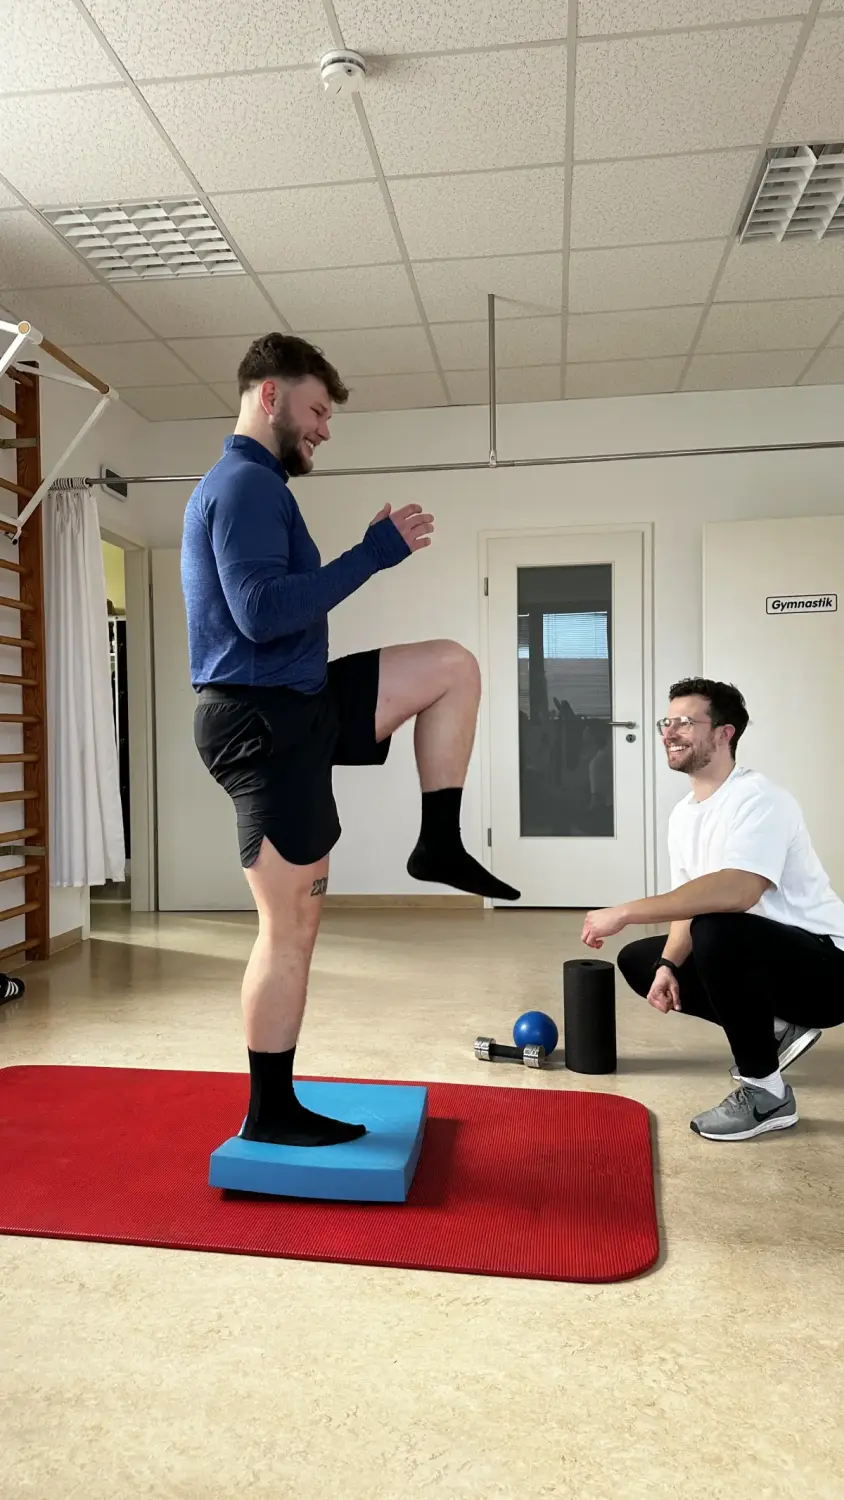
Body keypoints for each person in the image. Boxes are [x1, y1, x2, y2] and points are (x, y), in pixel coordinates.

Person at [181, 333, 519, 1150]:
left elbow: (270, 612)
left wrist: (371, 557)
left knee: (450, 668)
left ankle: (438, 842)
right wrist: (373, 554)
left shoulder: (258, 486)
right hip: (261, 721)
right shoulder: (243, 487)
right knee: (290, 928)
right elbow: (261, 612)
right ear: (270, 395)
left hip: (298, 697)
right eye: (317, 410)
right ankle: (270, 1111)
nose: (324, 429)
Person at [580, 677, 844, 1142]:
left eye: (686, 722)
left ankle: (766, 1095)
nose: (669, 731)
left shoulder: (760, 798)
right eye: (668, 721)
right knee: (640, 960)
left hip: (828, 970)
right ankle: (776, 1028)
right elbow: (692, 901)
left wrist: (624, 911)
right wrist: (666, 964)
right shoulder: (684, 814)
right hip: (761, 958)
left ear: (725, 734)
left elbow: (739, 891)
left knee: (720, 928)